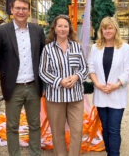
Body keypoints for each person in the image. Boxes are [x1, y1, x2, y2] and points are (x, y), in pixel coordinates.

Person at [0, 0, 45, 156]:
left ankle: (35, 153)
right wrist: (8, 73)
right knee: (12, 126)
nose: (21, 11)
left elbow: (42, 55)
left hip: (33, 86)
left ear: (29, 11)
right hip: (13, 87)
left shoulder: (37, 31)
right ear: (12, 10)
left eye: (24, 8)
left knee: (34, 124)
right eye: (18, 8)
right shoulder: (1, 31)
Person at [39, 14, 88, 156]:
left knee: (77, 130)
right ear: (54, 29)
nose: (62, 29)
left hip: (75, 97)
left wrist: (76, 76)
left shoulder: (77, 47)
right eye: (59, 26)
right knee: (57, 131)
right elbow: (42, 72)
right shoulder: (48, 49)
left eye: (65, 26)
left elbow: (84, 68)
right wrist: (59, 81)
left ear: (69, 29)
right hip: (55, 98)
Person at [88, 16, 129, 156]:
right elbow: (91, 67)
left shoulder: (125, 48)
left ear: (115, 29)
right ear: (101, 30)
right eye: (104, 28)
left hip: (117, 94)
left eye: (110, 28)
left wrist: (117, 84)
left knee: (114, 129)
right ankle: (109, 152)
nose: (107, 31)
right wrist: (97, 84)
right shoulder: (96, 47)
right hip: (101, 93)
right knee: (105, 128)